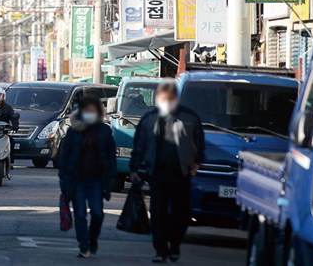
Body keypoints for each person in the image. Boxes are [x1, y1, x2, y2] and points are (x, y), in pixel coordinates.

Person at [130, 79, 205, 263]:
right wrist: (135, 169)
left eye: (170, 96)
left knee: (182, 214)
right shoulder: (149, 119)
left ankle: (175, 245)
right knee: (158, 213)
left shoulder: (190, 118)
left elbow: (200, 144)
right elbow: (139, 145)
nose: (167, 99)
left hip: (181, 173)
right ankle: (161, 250)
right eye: (163, 96)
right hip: (157, 173)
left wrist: (196, 163)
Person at [58, 96, 116, 258]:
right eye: (87, 110)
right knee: (80, 215)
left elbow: (111, 157)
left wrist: (111, 178)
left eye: (93, 111)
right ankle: (83, 246)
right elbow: (64, 156)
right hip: (77, 180)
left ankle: (92, 239)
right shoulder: (73, 131)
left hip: (97, 180)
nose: (90, 113)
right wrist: (63, 178)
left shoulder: (104, 131)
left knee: (98, 213)